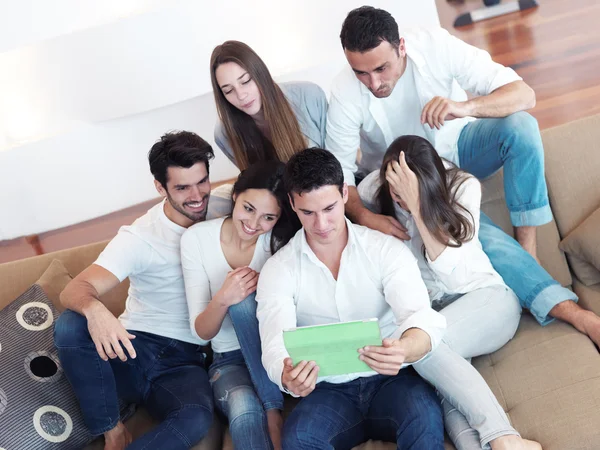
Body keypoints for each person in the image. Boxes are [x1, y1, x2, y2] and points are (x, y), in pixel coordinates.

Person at [326, 5, 600, 349]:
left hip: (459, 147)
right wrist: (367, 216)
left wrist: (465, 108)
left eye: (381, 68)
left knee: (521, 126)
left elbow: (524, 95)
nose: (374, 83)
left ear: (402, 47)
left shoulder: (438, 46)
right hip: (412, 180)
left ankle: (528, 249)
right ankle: (574, 313)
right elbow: (339, 174)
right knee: (478, 236)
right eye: (361, 73)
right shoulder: (343, 91)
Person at [256, 148, 539, 450]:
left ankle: (500, 437)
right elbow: (274, 343)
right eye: (308, 213)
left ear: (343, 193)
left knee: (426, 422)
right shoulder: (278, 269)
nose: (321, 224)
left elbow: (418, 316)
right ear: (292, 204)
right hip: (328, 390)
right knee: (298, 439)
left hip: (393, 380)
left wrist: (404, 348)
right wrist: (286, 376)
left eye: (328, 209)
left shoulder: (384, 249)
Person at [359, 135, 542, 449]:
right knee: (448, 390)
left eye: (406, 192)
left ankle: (505, 437)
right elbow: (349, 194)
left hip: (488, 300)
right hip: (439, 316)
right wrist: (368, 216)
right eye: (394, 191)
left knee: (424, 348)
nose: (398, 199)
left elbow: (451, 273)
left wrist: (418, 208)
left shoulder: (463, 188)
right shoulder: (377, 188)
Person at [54, 131, 216, 450]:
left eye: (202, 182)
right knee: (72, 323)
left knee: (196, 418)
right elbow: (75, 290)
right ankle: (111, 429)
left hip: (183, 363)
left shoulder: (228, 208)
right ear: (160, 187)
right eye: (182, 188)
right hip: (134, 348)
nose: (197, 196)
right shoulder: (139, 237)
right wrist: (95, 310)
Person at [181, 161, 300, 450]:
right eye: (248, 208)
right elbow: (201, 333)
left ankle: (273, 408)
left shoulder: (281, 245)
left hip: (275, 352)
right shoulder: (196, 239)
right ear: (235, 196)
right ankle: (272, 410)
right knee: (245, 410)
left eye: (268, 217)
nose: (254, 224)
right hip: (229, 361)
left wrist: (268, 287)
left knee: (247, 297)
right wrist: (223, 297)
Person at [211, 40, 327, 170]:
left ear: (260, 73)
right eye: (229, 90)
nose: (241, 95)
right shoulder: (224, 133)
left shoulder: (308, 96)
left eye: (246, 81)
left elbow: (339, 158)